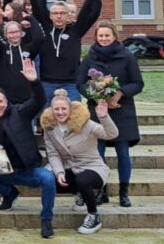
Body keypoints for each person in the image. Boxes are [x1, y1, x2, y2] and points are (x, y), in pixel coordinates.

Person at [0, 58, 54, 239]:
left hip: (29, 170)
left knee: (48, 178)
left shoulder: (21, 112)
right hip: (6, 171)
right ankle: (9, 193)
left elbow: (39, 100)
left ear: (6, 101)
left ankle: (46, 219)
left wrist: (34, 82)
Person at [77, 20, 143, 208]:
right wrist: (98, 96)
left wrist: (120, 92)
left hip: (122, 109)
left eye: (107, 35)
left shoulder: (127, 56)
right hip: (98, 110)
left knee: (123, 152)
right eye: (101, 36)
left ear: (114, 36)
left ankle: (124, 192)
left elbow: (138, 83)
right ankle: (101, 191)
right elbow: (80, 83)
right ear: (96, 37)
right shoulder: (89, 57)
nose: (104, 38)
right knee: (98, 153)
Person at [41, 89, 118, 234]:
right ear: (51, 110)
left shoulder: (86, 123)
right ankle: (79, 193)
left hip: (93, 167)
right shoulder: (49, 128)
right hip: (70, 167)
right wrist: (59, 172)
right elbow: (52, 153)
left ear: (70, 109)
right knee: (49, 180)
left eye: (64, 109)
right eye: (56, 109)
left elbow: (111, 134)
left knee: (83, 180)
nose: (60, 112)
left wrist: (104, 117)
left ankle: (94, 216)